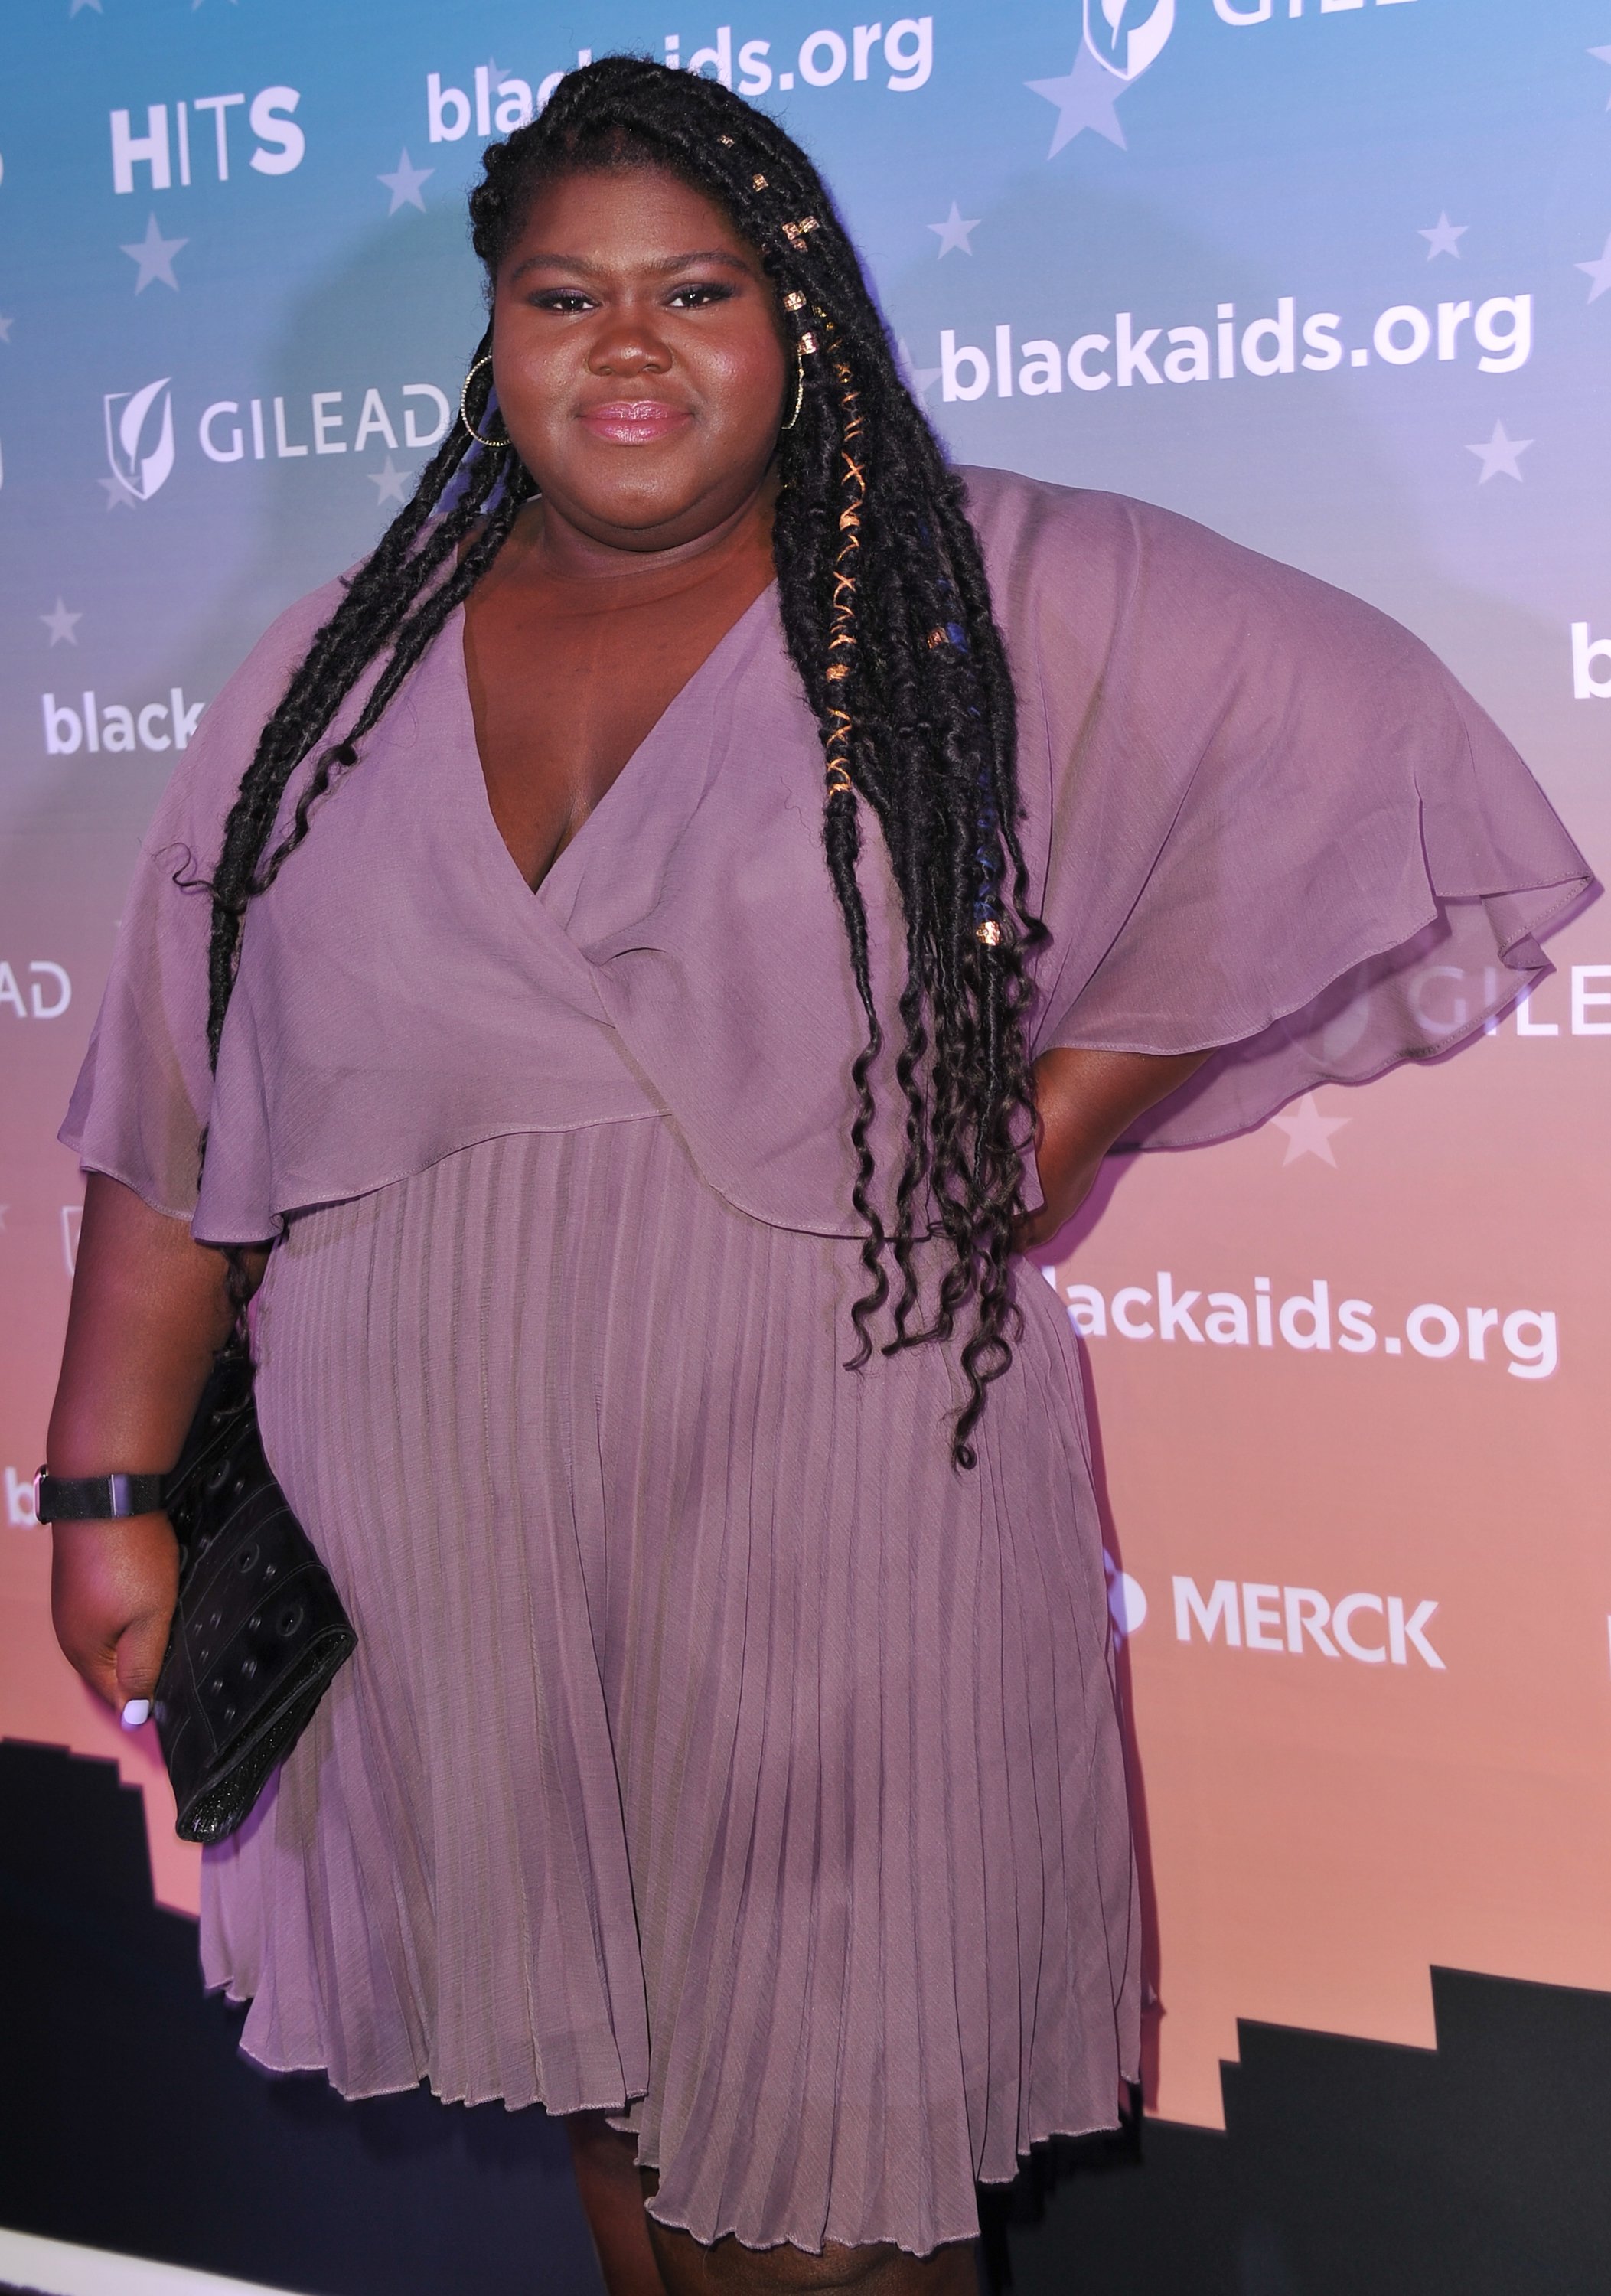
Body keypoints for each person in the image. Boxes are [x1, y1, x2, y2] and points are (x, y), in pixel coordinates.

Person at [44, 54, 1587, 2296]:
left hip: (833, 1513)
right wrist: (101, 1484)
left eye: (699, 288)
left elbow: (1364, 758)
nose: (631, 343)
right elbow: (175, 1104)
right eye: (567, 294)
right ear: (495, 338)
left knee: (827, 2202)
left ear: (802, 323)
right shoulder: (330, 672)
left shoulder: (984, 591)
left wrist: (1051, 1112)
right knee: (629, 2148)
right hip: (446, 1553)